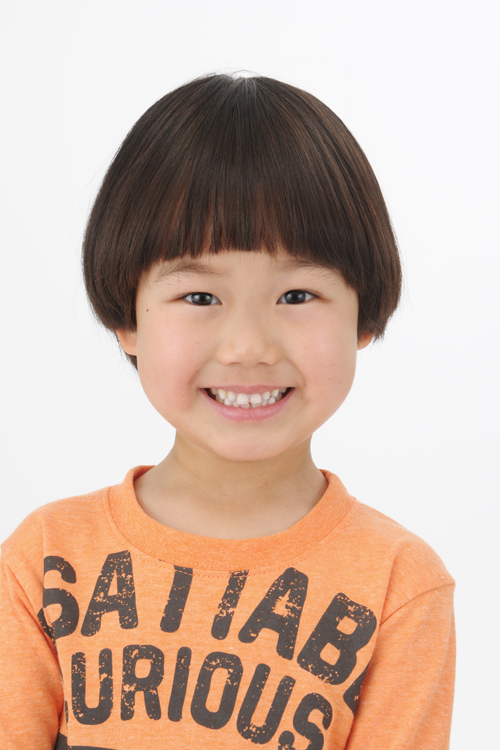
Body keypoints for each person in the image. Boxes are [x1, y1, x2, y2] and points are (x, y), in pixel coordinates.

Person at [0, 73, 455, 750]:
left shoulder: (400, 585)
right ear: (127, 319)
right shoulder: (45, 560)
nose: (248, 347)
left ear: (364, 316)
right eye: (200, 298)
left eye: (297, 296)